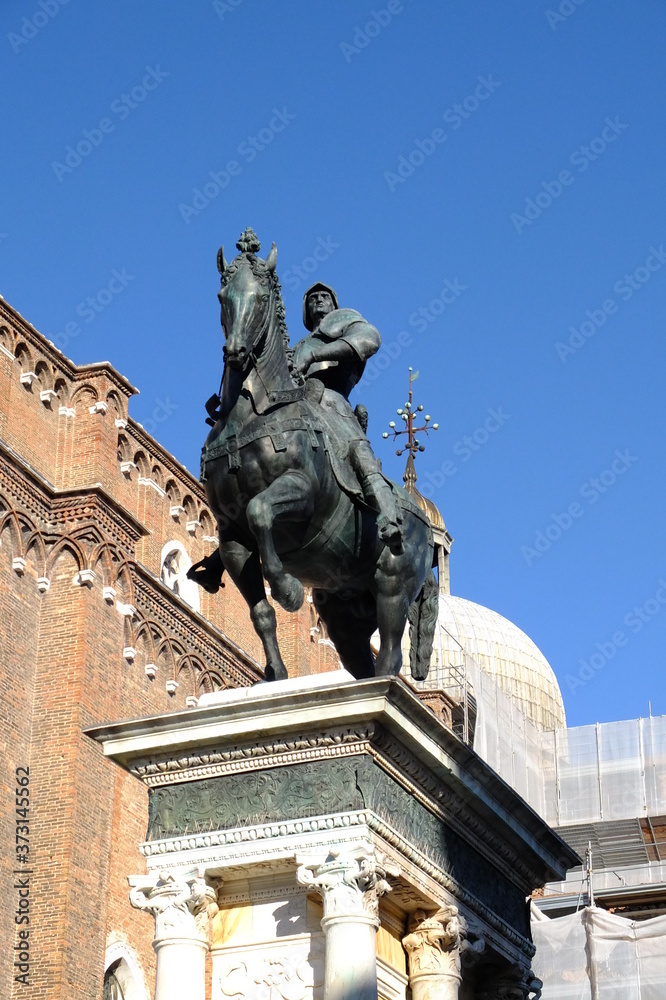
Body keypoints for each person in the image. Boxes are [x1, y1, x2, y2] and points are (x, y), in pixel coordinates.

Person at [292, 283, 402, 551]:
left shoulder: (347, 324)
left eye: (324, 296)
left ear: (334, 305)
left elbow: (369, 340)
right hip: (298, 408)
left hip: (333, 404)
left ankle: (389, 519)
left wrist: (316, 354)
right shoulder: (295, 347)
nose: (318, 300)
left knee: (359, 454)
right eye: (313, 298)